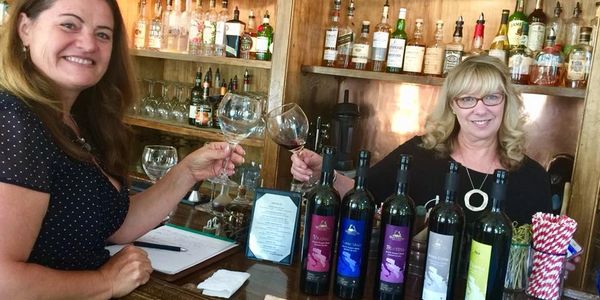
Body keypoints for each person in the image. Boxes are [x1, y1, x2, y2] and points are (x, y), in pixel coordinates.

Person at [0, 0, 245, 298]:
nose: (88, 43)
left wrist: (188, 172)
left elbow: (113, 224)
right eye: (69, 25)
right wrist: (105, 282)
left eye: (103, 34)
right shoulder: (14, 121)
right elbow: (5, 280)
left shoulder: (78, 120)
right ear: (25, 28)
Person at [291, 54, 552, 227]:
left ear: (507, 103)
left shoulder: (532, 178)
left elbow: (543, 252)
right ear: (453, 105)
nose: (480, 109)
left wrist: (561, 256)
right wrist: (323, 173)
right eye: (467, 99)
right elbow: (364, 191)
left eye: (492, 97)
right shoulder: (420, 153)